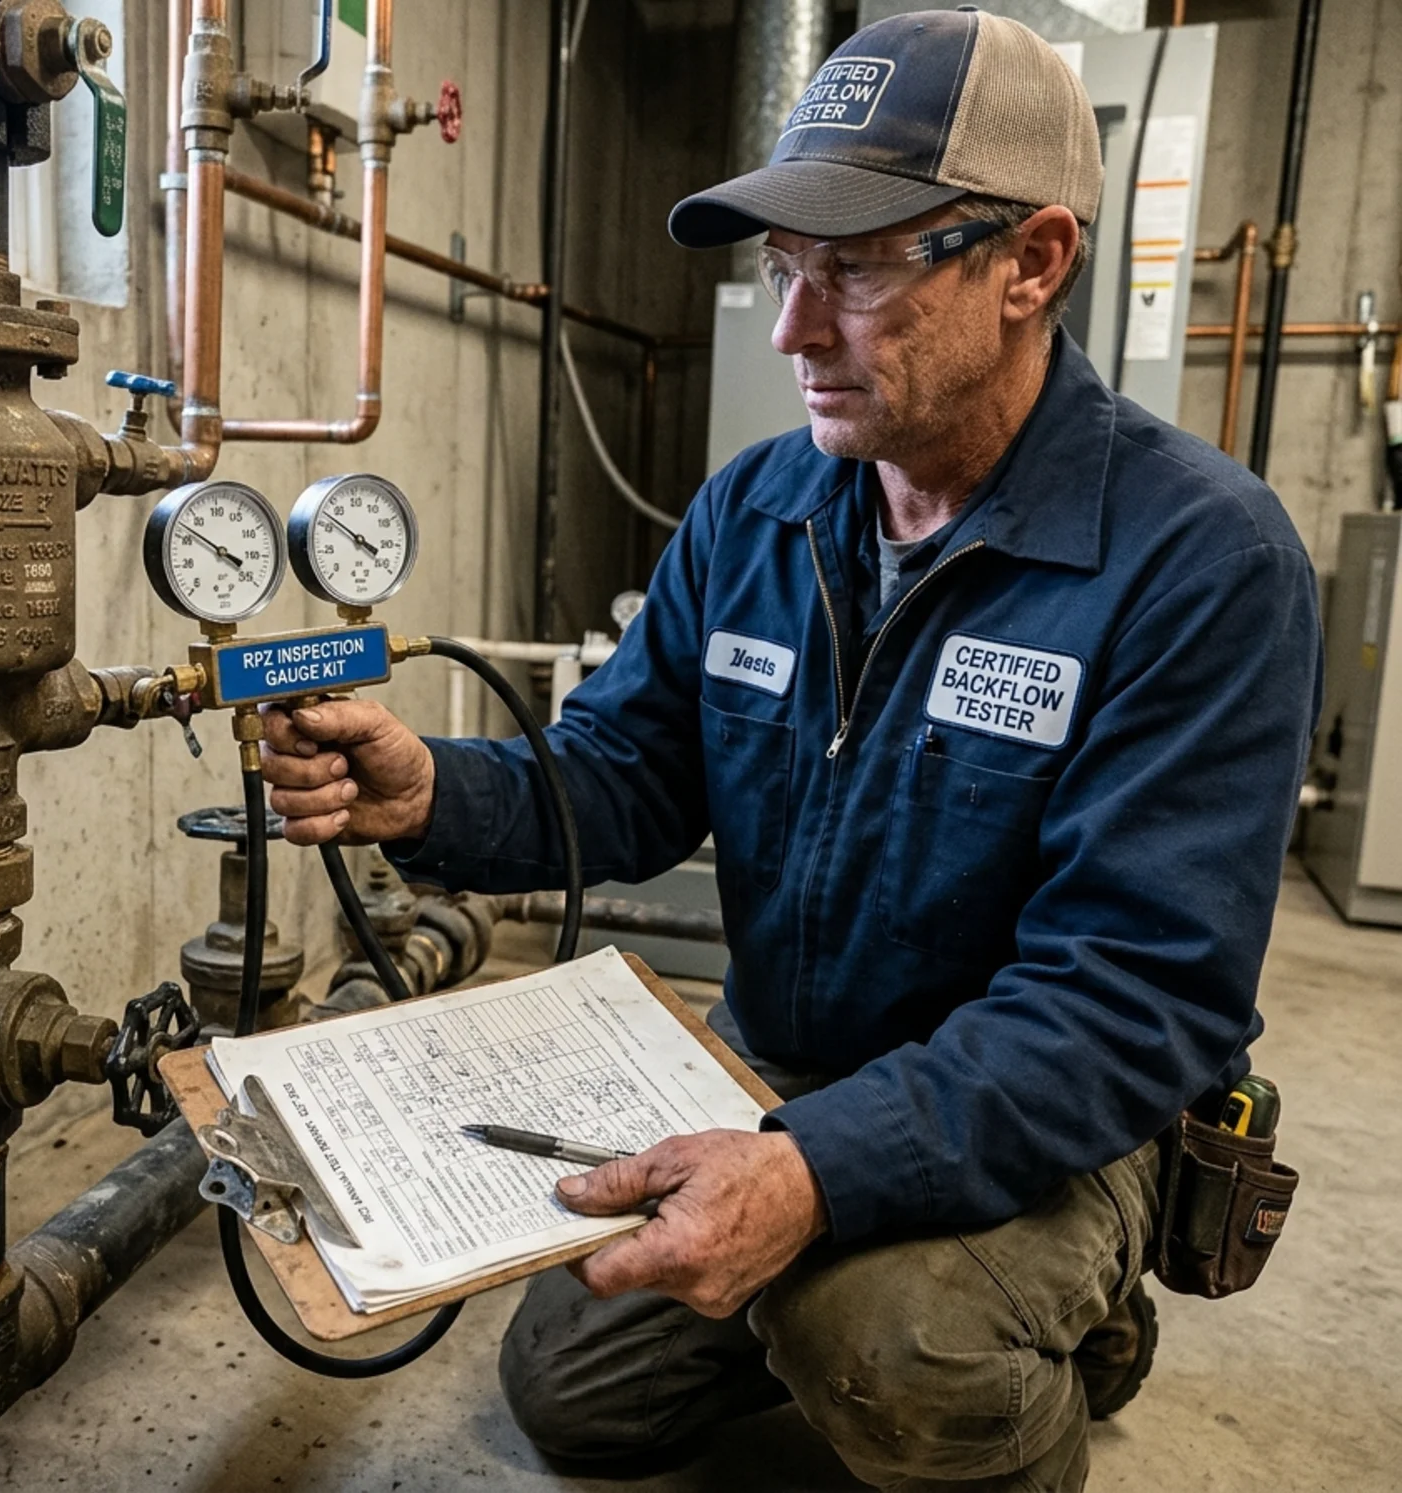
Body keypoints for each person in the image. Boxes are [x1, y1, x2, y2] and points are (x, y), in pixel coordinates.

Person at [260, 9, 1321, 1489]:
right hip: (778, 1067)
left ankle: (1063, 1316)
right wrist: (434, 790)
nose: (794, 330)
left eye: (861, 267)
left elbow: (1133, 992)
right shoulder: (758, 509)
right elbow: (624, 775)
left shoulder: (1197, 561)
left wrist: (818, 1176)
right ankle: (927, 1288)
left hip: (1062, 1113)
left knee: (893, 1350)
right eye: (783, 270)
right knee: (572, 1389)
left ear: (1036, 264)